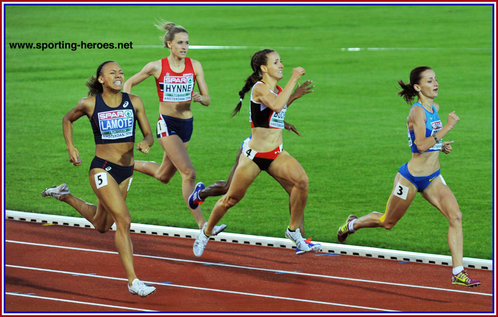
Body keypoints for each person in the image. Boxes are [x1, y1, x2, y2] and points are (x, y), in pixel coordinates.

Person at [336, 66, 480, 287]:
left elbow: (425, 141)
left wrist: (440, 146)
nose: (436, 84)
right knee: (387, 222)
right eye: (430, 81)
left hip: (432, 177)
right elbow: (421, 146)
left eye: (436, 79)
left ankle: (458, 271)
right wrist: (448, 128)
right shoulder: (417, 111)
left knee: (456, 216)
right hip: (410, 178)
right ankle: (352, 225)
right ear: (417, 87)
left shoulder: (434, 108)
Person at [41, 61, 157, 296]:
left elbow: (148, 133)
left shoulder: (134, 102)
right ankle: (133, 281)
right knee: (123, 219)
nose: (119, 75)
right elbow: (67, 120)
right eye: (112, 72)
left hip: (126, 171)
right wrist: (70, 147)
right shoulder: (90, 104)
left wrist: (146, 142)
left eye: (121, 72)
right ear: (101, 79)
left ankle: (64, 195)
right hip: (102, 169)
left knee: (102, 225)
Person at [192, 49, 320, 257]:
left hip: (276, 154)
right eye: (276, 62)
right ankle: (206, 233)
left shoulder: (276, 89)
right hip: (254, 156)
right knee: (230, 199)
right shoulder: (259, 89)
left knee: (302, 182)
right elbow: (277, 106)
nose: (281, 66)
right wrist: (294, 78)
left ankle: (293, 231)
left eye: (281, 61)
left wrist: (287, 118)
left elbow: (273, 113)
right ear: (263, 68)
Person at [123, 20, 225, 235]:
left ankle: (125, 164)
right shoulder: (156, 67)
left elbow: (208, 100)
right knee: (188, 173)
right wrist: (128, 105)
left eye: (187, 43)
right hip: (167, 124)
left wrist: (200, 97)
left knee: (163, 175)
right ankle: (203, 225)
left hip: (187, 124)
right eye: (180, 43)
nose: (185, 47)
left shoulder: (195, 66)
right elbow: (129, 83)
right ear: (169, 44)